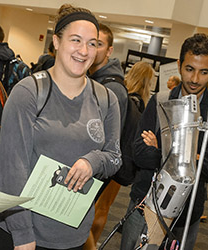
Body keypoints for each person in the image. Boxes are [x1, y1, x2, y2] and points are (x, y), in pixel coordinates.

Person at [0, 4, 121, 250]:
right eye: (76, 40)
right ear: (56, 41)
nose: (84, 51)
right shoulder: (29, 93)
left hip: (74, 233)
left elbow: (115, 158)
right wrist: (22, 235)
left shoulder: (106, 99)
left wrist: (92, 161)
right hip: (25, 232)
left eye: (92, 43)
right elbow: (12, 169)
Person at [121, 33, 208, 250]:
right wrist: (191, 156)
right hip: (145, 202)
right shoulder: (160, 101)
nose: (194, 79)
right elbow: (140, 153)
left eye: (204, 72)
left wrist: (161, 148)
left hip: (187, 212)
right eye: (189, 69)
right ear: (180, 65)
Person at [84, 23, 128, 249]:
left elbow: (108, 138)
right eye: (91, 43)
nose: (94, 49)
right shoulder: (92, 78)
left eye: (99, 44)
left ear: (110, 50)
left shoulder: (112, 88)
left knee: (82, 220)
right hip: (89, 163)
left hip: (100, 166)